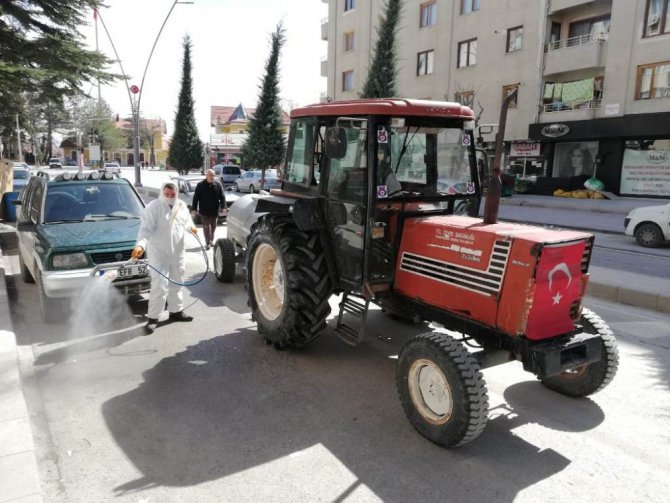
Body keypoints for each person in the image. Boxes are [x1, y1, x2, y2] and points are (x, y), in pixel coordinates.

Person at [131, 180, 197, 334]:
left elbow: (186, 221)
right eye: (167, 194)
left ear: (177, 193)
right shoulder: (153, 207)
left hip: (177, 252)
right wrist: (140, 245)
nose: (170, 197)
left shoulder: (181, 205)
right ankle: (153, 318)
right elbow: (145, 229)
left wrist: (191, 227)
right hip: (158, 253)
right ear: (162, 192)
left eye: (173, 194)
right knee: (159, 285)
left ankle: (176, 311)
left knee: (177, 281)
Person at [191, 169, 226, 250]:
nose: (212, 177)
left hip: (214, 210)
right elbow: (196, 198)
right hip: (204, 211)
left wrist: (223, 207)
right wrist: (194, 209)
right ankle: (207, 242)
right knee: (206, 227)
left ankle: (211, 240)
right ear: (206, 175)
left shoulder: (217, 184)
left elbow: (222, 196)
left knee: (213, 227)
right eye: (210, 175)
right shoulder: (200, 185)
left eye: (213, 175)